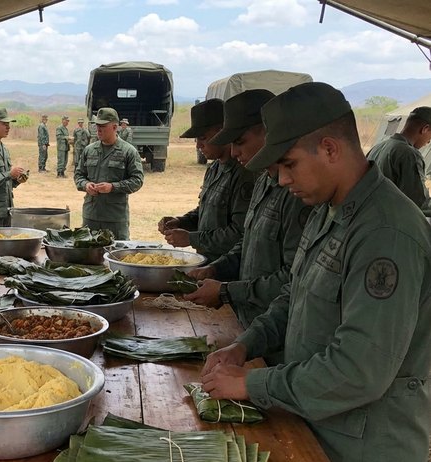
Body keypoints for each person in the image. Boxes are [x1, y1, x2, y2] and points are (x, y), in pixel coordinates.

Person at [201, 82, 431, 462]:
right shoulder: (330, 209)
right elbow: (296, 294)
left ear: (329, 149)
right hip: (316, 427)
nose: (283, 180)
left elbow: (359, 369)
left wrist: (252, 384)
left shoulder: (385, 232)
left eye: (288, 164)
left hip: (361, 453)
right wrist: (245, 345)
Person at [183, 90, 311, 365]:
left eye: (240, 141)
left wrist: (227, 290)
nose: (235, 151)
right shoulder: (264, 180)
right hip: (248, 327)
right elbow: (248, 240)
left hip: (278, 339)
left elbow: (293, 279)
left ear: (269, 133)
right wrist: (216, 269)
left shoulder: (299, 194)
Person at [158, 99, 256, 262]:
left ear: (222, 132)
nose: (198, 146)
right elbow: (205, 212)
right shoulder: (214, 169)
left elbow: (240, 233)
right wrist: (181, 222)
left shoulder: (244, 174)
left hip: (228, 266)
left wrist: (192, 239)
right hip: (207, 262)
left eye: (202, 138)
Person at [74, 107, 144, 240]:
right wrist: (86, 185)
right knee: (88, 256)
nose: (98, 130)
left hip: (115, 218)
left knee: (116, 255)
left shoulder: (128, 151)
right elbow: (78, 175)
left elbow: (137, 180)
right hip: (91, 215)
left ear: (114, 127)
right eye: (97, 126)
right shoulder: (89, 150)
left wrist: (113, 187)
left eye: (103, 126)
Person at [366, 106, 431, 211]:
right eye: (430, 137)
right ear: (425, 129)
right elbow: (419, 202)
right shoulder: (409, 154)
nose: (428, 142)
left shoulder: (379, 146)